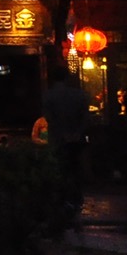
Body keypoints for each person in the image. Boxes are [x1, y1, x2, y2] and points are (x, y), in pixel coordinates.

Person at [41, 65, 90, 210]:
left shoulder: (48, 96)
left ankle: (61, 199)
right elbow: (86, 118)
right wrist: (77, 133)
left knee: (60, 169)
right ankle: (76, 197)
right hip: (76, 138)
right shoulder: (80, 95)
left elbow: (49, 118)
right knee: (75, 168)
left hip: (58, 138)